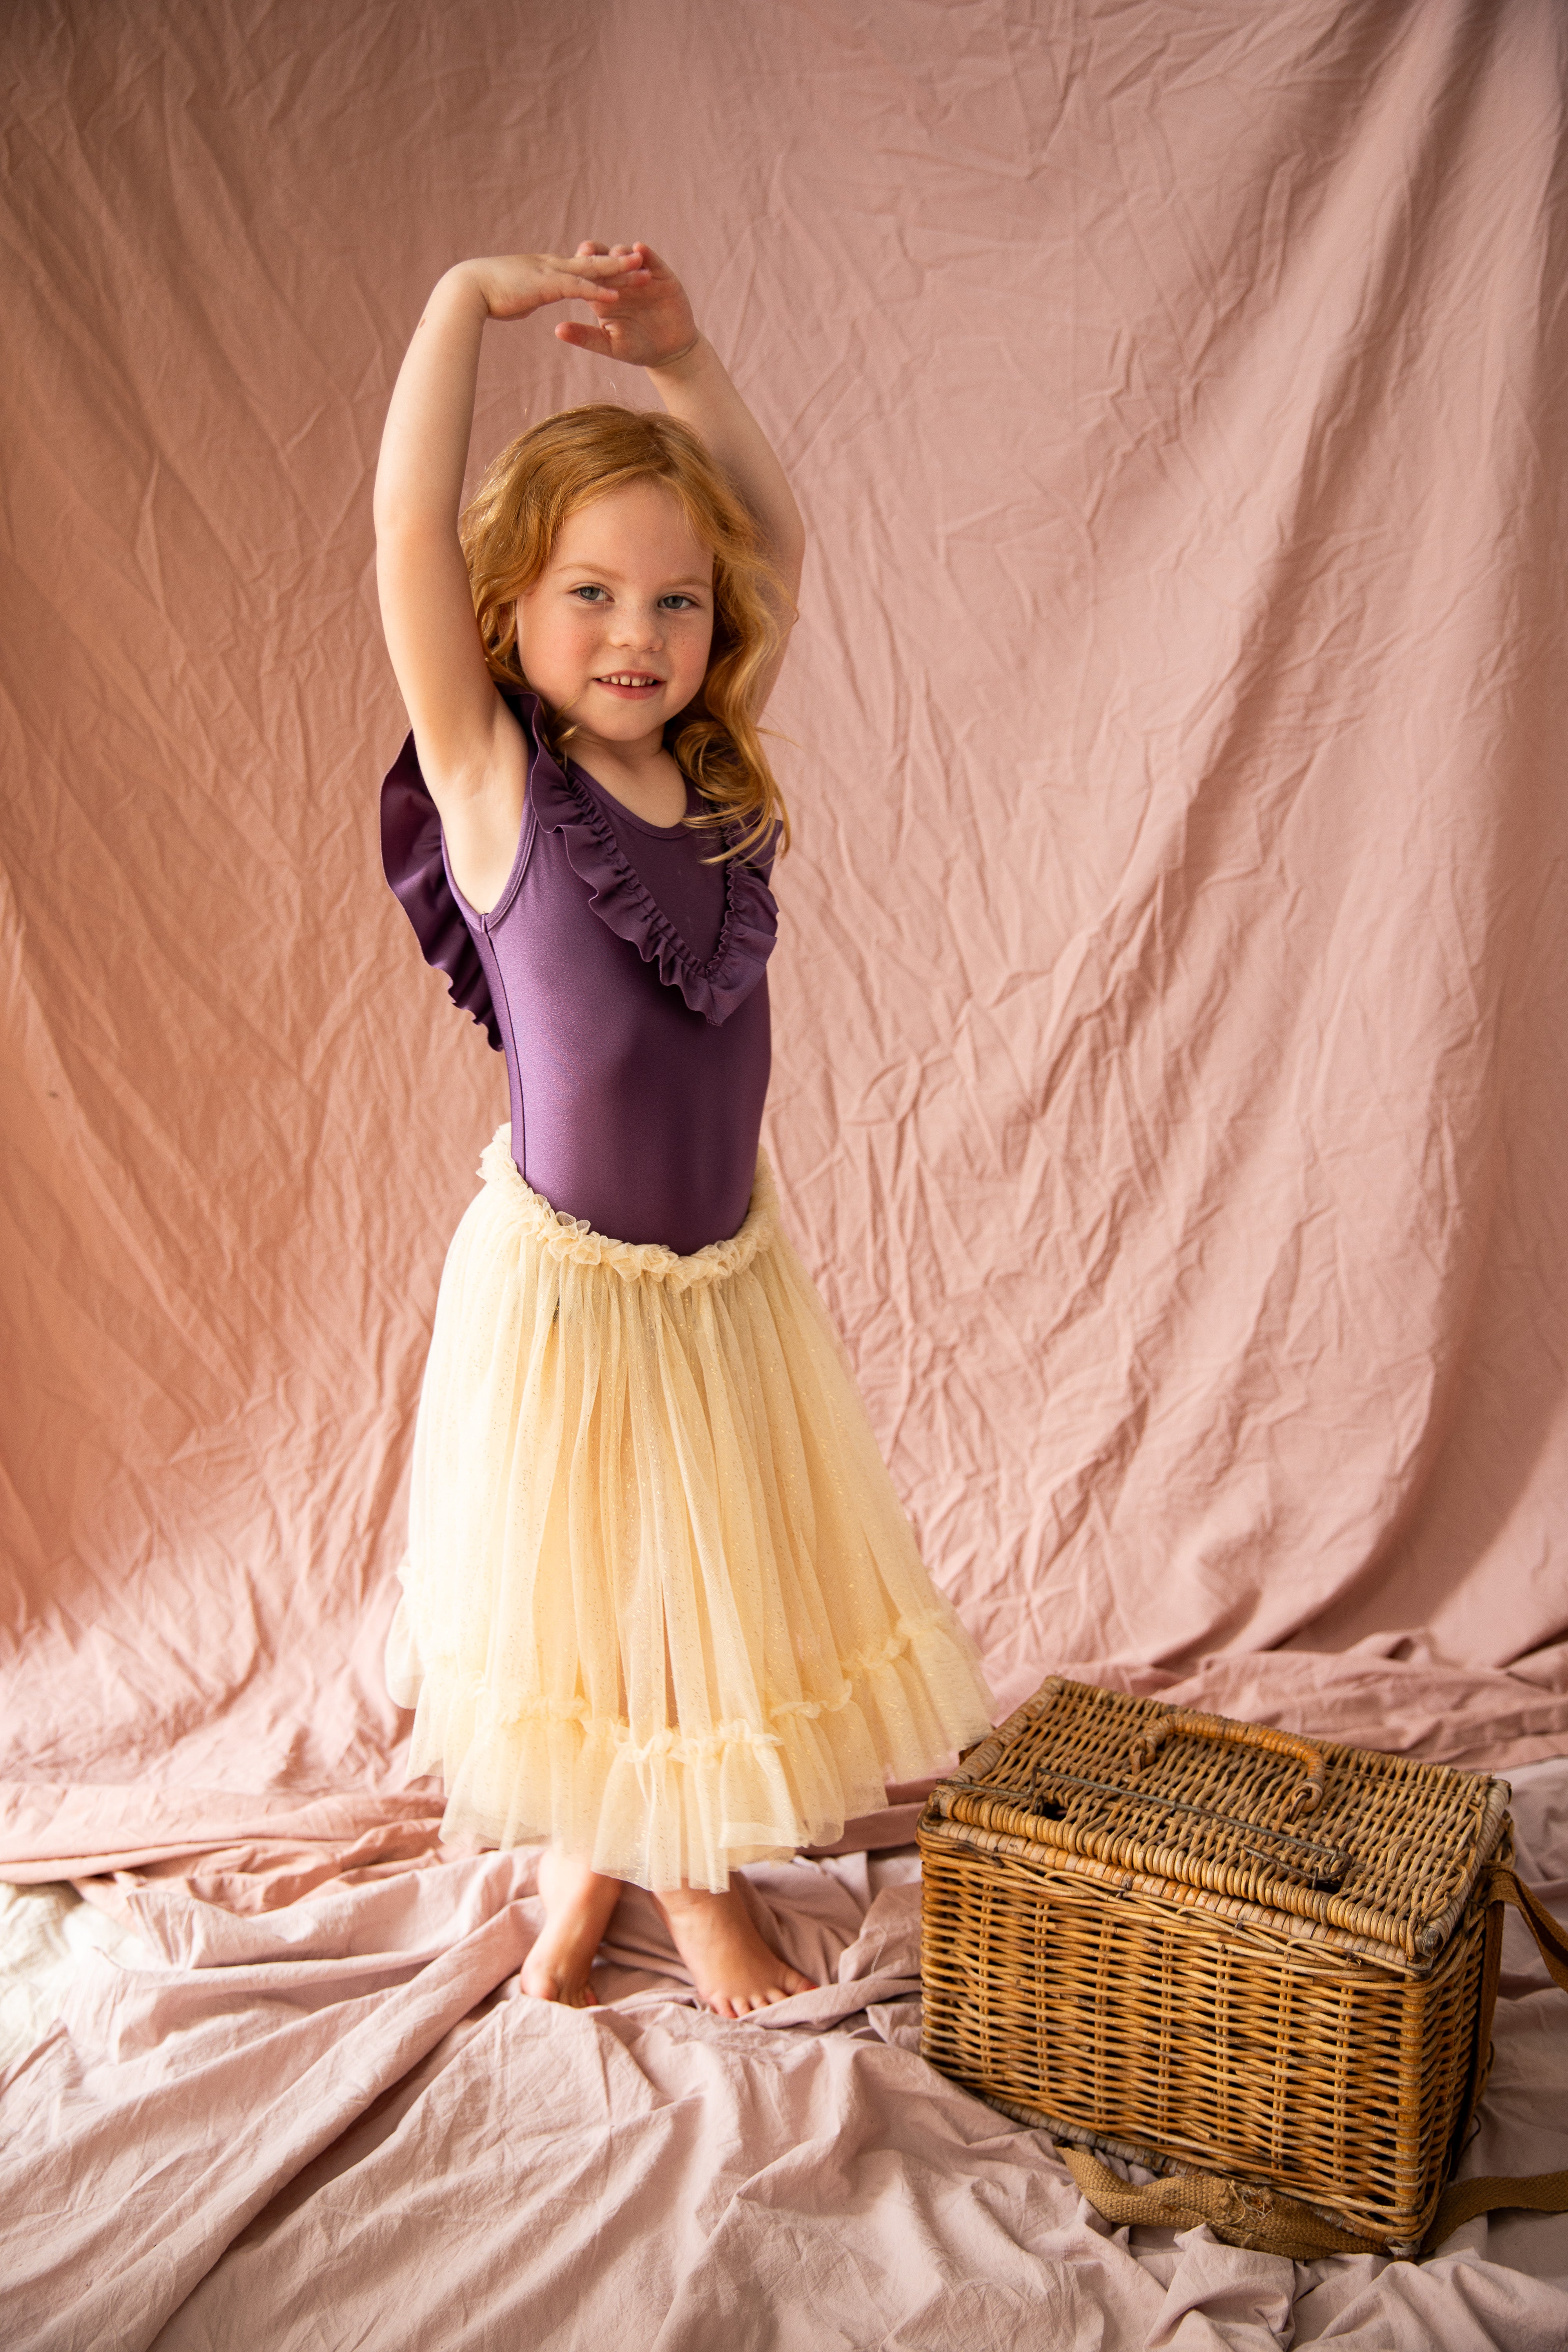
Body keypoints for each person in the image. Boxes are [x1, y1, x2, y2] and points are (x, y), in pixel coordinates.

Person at [374, 240, 994, 2018]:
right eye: (589, 597)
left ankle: (615, 1866)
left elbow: (774, 543)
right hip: (578, 1295)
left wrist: (685, 359)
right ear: (508, 615)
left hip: (726, 1283)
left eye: (673, 606)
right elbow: (405, 533)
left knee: (696, 1595)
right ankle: (684, 1886)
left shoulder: (714, 774)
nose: (638, 637)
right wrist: (458, 307)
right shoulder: (503, 786)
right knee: (609, 1608)